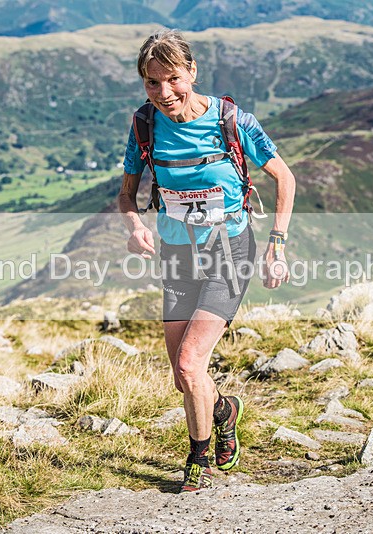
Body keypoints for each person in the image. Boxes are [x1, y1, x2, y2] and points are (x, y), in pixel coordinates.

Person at [118, 29, 295, 492]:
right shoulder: (144, 125)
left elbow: (284, 177)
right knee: (184, 377)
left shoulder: (232, 120)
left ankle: (198, 461)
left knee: (189, 364)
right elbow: (126, 195)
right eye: (152, 83)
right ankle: (224, 410)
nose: (164, 92)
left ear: (192, 72)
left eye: (173, 79)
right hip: (178, 256)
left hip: (229, 253)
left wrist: (276, 245)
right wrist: (135, 225)